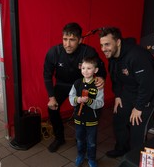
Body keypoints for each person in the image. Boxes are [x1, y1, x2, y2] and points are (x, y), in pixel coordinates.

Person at [99, 27, 154, 157]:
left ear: (118, 42)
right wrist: (118, 96)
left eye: (107, 44)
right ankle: (122, 149)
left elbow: (148, 84)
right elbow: (115, 77)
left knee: (137, 126)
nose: (103, 49)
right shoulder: (112, 55)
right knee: (119, 117)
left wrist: (138, 107)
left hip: (152, 90)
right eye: (102, 45)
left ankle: (135, 159)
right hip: (132, 88)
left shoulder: (136, 55)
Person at [43, 22, 107, 152]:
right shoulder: (54, 52)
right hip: (62, 84)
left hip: (81, 84)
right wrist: (51, 97)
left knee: (86, 109)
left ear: (80, 40)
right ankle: (59, 138)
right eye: (65, 39)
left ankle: (82, 137)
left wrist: (101, 78)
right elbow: (47, 76)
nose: (67, 44)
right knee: (52, 108)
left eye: (72, 40)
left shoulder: (88, 52)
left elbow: (101, 70)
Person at [69, 56, 104, 167]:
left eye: (89, 68)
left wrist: (89, 101)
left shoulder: (98, 85)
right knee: (79, 139)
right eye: (83, 68)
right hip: (78, 119)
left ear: (96, 70)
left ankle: (92, 159)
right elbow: (71, 97)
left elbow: (100, 103)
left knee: (92, 142)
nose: (85, 71)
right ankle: (80, 155)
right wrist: (77, 100)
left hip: (92, 120)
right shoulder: (77, 83)